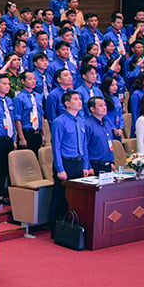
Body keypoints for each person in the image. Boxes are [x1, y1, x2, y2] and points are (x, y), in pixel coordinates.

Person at [49, 90, 93, 218]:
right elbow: (56, 147)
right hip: (65, 162)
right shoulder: (59, 121)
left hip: (78, 162)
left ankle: (72, 226)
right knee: (60, 197)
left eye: (79, 99)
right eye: (75, 99)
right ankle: (56, 228)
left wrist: (85, 165)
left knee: (76, 197)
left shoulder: (80, 120)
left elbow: (84, 145)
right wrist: (60, 168)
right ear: (67, 103)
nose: (79, 101)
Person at [13, 71, 45, 151]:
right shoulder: (19, 98)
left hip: (37, 132)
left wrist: (43, 134)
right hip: (27, 132)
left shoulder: (38, 96)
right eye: (30, 79)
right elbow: (17, 119)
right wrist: (21, 137)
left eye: (34, 79)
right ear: (23, 81)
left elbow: (41, 115)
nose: (33, 81)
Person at [84, 97, 115, 175]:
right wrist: (88, 166)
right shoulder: (87, 125)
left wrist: (111, 161)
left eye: (105, 105)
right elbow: (84, 147)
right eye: (100, 106)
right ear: (92, 109)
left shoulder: (107, 123)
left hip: (107, 164)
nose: (104, 108)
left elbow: (109, 144)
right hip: (95, 165)